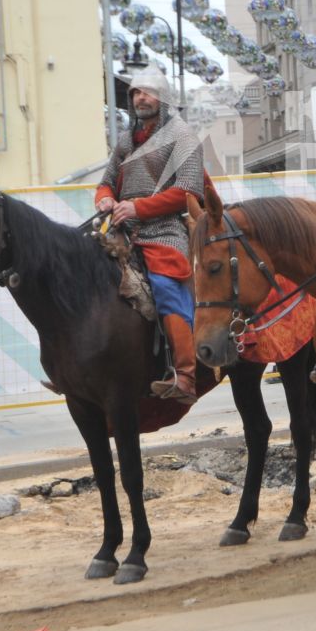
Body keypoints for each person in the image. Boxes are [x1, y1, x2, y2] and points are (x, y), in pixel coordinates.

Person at [96, 68, 207, 403]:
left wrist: (138, 208)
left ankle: (186, 376)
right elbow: (107, 179)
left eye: (147, 91)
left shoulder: (181, 136)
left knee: (165, 286)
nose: (140, 97)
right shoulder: (127, 141)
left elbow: (188, 192)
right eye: (135, 93)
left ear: (165, 97)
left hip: (164, 230)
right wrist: (104, 197)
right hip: (122, 231)